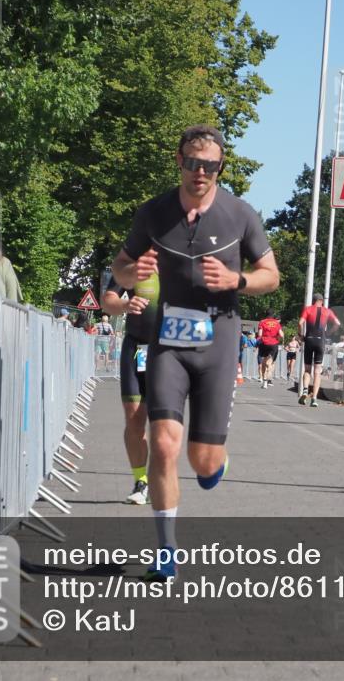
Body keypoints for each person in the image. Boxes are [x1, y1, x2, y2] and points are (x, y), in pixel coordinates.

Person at [112, 124, 279, 580]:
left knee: (202, 462)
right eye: (192, 163)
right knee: (164, 443)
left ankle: (216, 460)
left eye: (209, 165)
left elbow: (271, 274)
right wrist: (131, 272)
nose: (200, 172)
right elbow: (120, 266)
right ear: (179, 161)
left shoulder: (240, 214)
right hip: (168, 340)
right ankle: (166, 549)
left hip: (218, 341)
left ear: (220, 167)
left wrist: (237, 281)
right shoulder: (154, 212)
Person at [102, 273, 161, 505]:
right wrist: (125, 304)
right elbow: (108, 299)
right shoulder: (133, 260)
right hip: (137, 348)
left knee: (163, 424)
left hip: (169, 352)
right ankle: (141, 481)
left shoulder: (181, 254)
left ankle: (161, 477)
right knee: (134, 419)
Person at [298, 293, 341, 407]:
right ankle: (315, 398)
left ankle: (305, 390)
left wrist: (301, 334)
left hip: (309, 340)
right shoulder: (327, 311)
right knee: (317, 371)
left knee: (307, 369)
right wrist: (328, 333)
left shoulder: (308, 309)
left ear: (313, 301)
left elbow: (300, 322)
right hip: (320, 341)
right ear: (321, 301)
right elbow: (337, 323)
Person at [256, 310, 283, 388]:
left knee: (263, 362)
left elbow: (260, 334)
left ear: (266, 314)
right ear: (273, 315)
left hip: (264, 343)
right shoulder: (277, 323)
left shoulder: (262, 322)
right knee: (270, 363)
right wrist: (277, 337)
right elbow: (281, 335)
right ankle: (267, 379)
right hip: (273, 344)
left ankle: (264, 380)